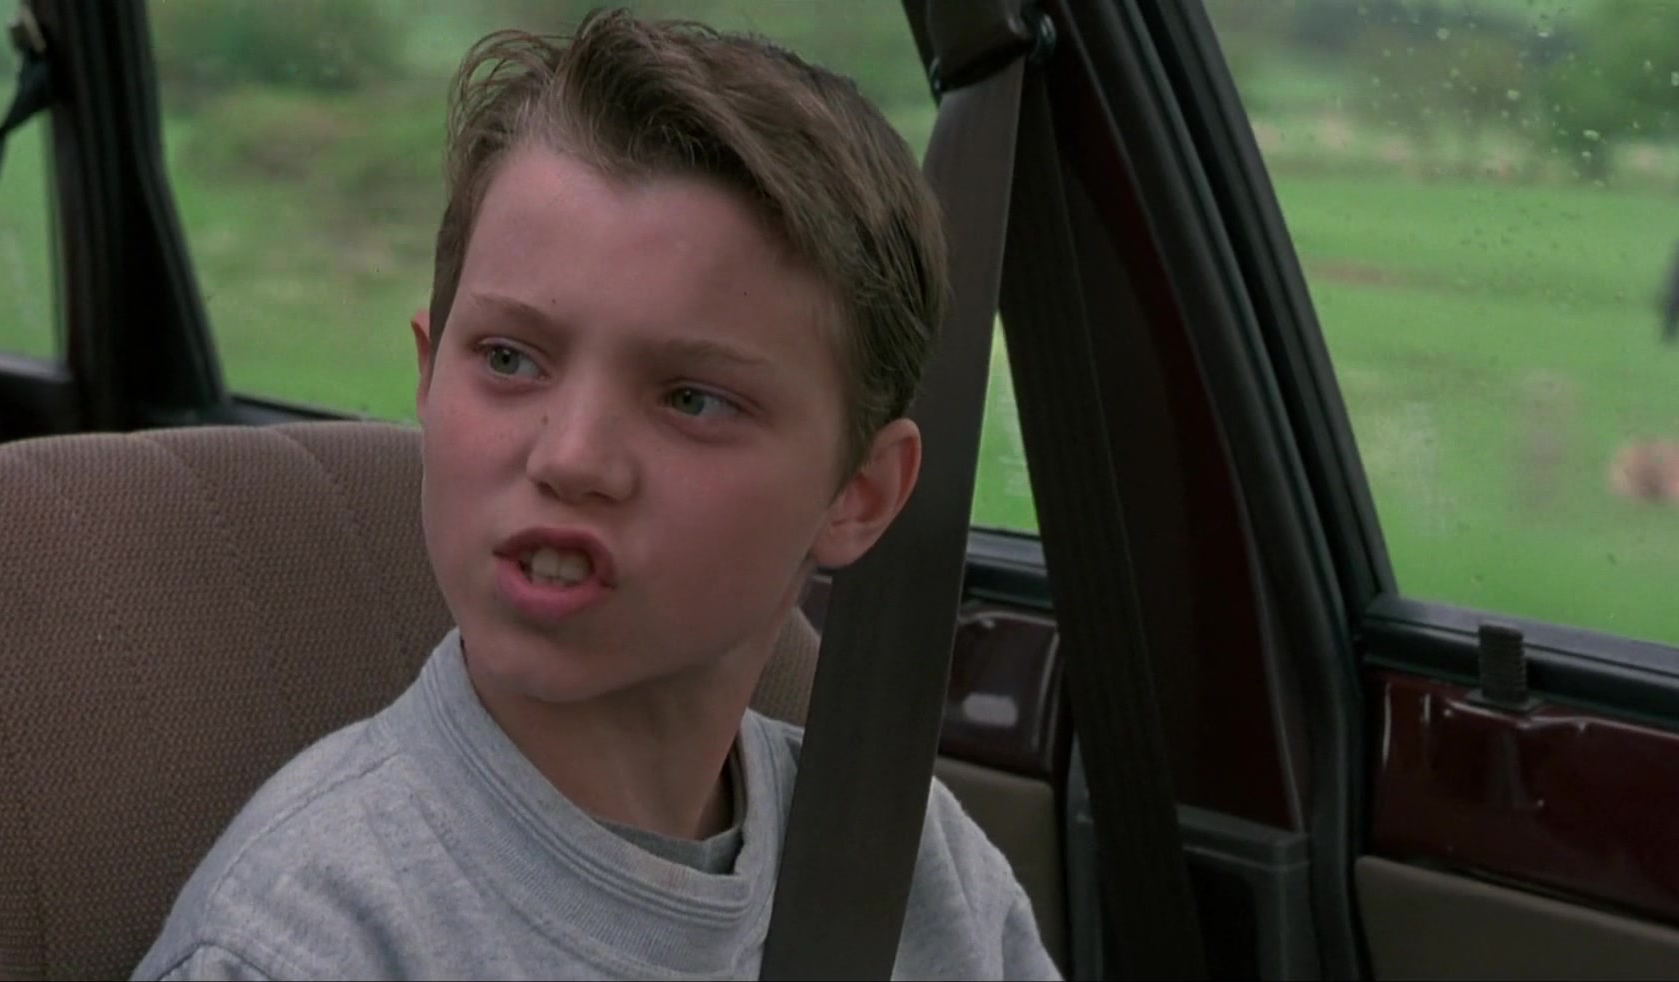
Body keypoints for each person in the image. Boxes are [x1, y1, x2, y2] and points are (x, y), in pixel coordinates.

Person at [134, 9, 1060, 980]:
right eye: (509, 358)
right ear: (428, 376)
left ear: (859, 495)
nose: (571, 457)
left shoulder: (917, 872)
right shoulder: (304, 943)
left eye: (693, 399)